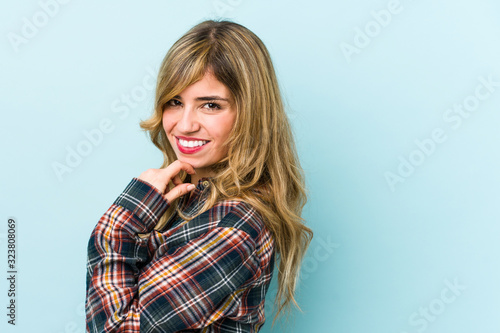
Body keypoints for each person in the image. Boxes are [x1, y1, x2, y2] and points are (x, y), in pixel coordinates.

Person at [85, 19, 313, 332]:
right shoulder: (185, 199)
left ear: (250, 113)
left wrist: (120, 223)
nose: (184, 124)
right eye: (175, 102)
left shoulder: (233, 226)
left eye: (210, 105)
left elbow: (115, 329)